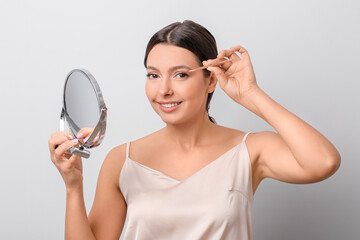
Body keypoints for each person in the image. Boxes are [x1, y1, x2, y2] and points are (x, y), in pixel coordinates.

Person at [48, 20, 341, 240]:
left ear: (211, 81)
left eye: (181, 75)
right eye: (153, 75)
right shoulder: (121, 160)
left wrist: (250, 93)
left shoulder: (250, 150)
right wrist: (73, 186)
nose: (163, 90)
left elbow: (323, 162)